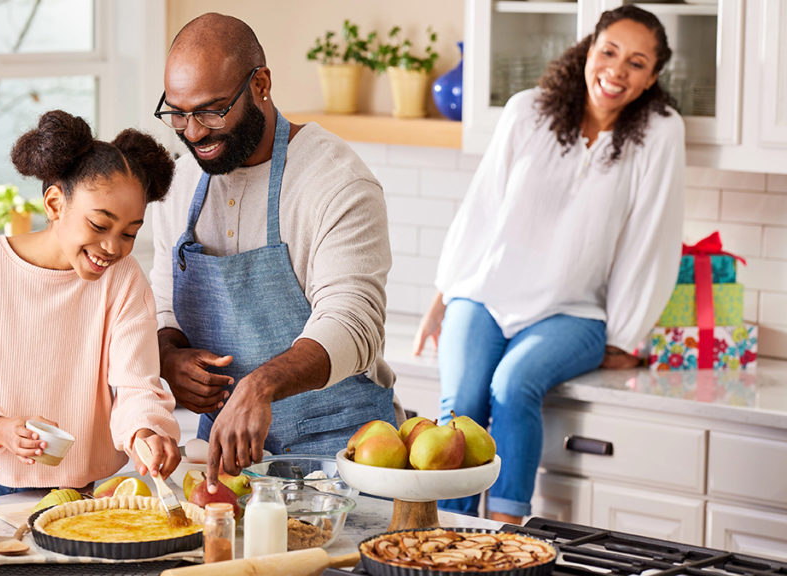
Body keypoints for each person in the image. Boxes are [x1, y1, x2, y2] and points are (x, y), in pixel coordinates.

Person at [413, 5, 684, 523]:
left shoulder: (660, 133)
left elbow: (654, 235)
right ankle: (447, 530)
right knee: (460, 406)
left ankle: (507, 533)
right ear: (589, 48)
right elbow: (481, 210)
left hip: (575, 314)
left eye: (636, 62)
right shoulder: (526, 110)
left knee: (513, 387)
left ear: (652, 79)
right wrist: (443, 296)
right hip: (485, 296)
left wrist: (627, 334)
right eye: (608, 51)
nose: (616, 70)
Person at [150, 13, 401, 492]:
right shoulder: (180, 184)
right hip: (226, 458)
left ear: (260, 84)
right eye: (178, 113)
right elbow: (164, 302)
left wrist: (260, 385)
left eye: (211, 110)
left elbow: (354, 324)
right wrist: (168, 356)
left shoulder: (335, 180)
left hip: (344, 455)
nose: (194, 132)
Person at [0, 110, 182, 496]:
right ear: (54, 204)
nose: (113, 247)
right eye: (99, 225)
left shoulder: (124, 280)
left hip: (87, 492)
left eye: (129, 233)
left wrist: (146, 431)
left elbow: (136, 385)